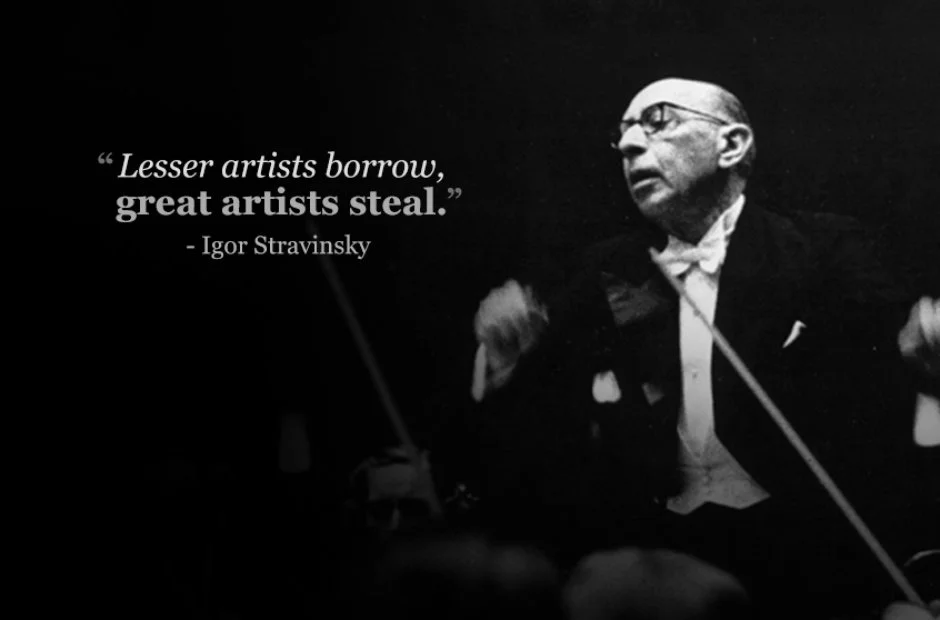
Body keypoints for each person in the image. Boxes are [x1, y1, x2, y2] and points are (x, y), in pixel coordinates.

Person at [466, 77, 939, 618]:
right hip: (666, 550)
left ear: (731, 145)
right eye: (623, 134)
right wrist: (506, 357)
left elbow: (902, 337)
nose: (629, 145)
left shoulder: (823, 246)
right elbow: (537, 408)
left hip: (805, 547)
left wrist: (924, 340)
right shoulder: (606, 266)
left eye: (657, 122)